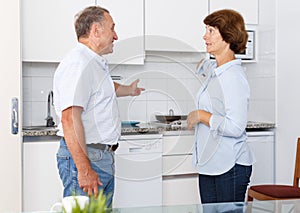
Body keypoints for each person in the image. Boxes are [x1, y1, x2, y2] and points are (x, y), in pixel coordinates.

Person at [53, 6, 144, 208]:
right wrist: (84, 169)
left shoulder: (92, 63)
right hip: (88, 157)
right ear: (96, 30)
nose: (116, 36)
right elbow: (69, 118)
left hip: (100, 156)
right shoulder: (78, 63)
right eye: (112, 29)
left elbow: (103, 87)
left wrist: (128, 90)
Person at [187, 9, 255, 204]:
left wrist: (202, 116)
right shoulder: (216, 70)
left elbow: (236, 127)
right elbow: (205, 67)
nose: (204, 36)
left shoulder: (233, 77)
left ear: (228, 35)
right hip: (210, 164)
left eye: (210, 31)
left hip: (230, 166)